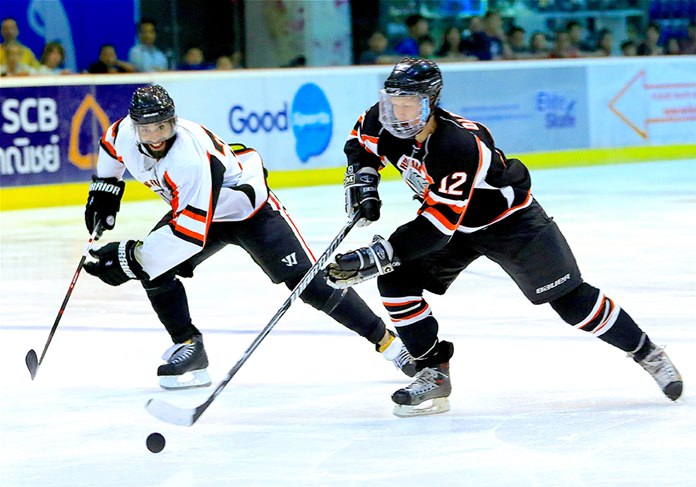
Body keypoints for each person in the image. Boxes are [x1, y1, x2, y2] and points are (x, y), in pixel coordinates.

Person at [326, 57, 683, 417]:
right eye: (393, 101)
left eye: (409, 103)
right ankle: (432, 371)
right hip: (456, 225)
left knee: (571, 301)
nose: (397, 112)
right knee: (397, 282)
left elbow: (436, 227)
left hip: (511, 224)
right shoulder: (380, 118)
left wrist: (379, 254)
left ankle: (647, 352)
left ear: (430, 101)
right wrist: (365, 179)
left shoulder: (458, 146)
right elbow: (360, 145)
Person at [82, 85, 415, 390]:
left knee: (310, 286)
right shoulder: (123, 134)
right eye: (147, 129)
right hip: (200, 211)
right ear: (133, 125)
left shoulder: (188, 158)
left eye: (163, 127)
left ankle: (391, 345)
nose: (155, 137)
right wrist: (105, 189)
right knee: (154, 269)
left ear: (174, 122)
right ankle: (189, 347)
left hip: (249, 212)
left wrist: (129, 259)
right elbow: (111, 150)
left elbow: (187, 235)